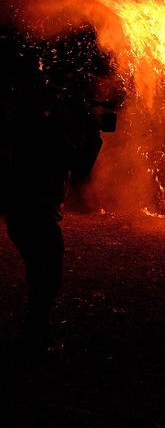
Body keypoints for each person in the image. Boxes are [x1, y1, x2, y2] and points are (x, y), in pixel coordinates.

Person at [2, 24, 115, 352]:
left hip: (27, 210)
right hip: (33, 212)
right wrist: (93, 137)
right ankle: (34, 334)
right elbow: (80, 170)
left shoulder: (43, 125)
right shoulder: (49, 132)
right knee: (47, 273)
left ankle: (34, 330)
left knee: (44, 271)